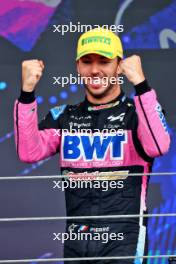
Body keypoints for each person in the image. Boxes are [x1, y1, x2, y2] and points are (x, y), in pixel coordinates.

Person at [14, 28, 170, 263]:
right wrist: (27, 94)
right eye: (87, 62)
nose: (95, 70)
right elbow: (29, 152)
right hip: (77, 239)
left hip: (123, 240)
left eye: (104, 61)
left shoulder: (138, 113)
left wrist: (141, 85)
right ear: (77, 67)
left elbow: (158, 146)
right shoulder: (63, 117)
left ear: (119, 66)